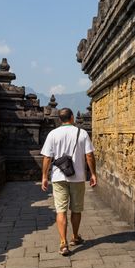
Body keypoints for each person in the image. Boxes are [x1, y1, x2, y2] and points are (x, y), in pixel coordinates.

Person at [40, 108, 97, 256]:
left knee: (61, 210)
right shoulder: (82, 133)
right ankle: (75, 237)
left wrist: (44, 177)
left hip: (58, 177)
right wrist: (93, 174)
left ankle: (63, 243)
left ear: (60, 119)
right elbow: (89, 155)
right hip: (77, 177)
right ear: (72, 117)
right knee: (76, 209)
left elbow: (47, 157)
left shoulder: (53, 134)